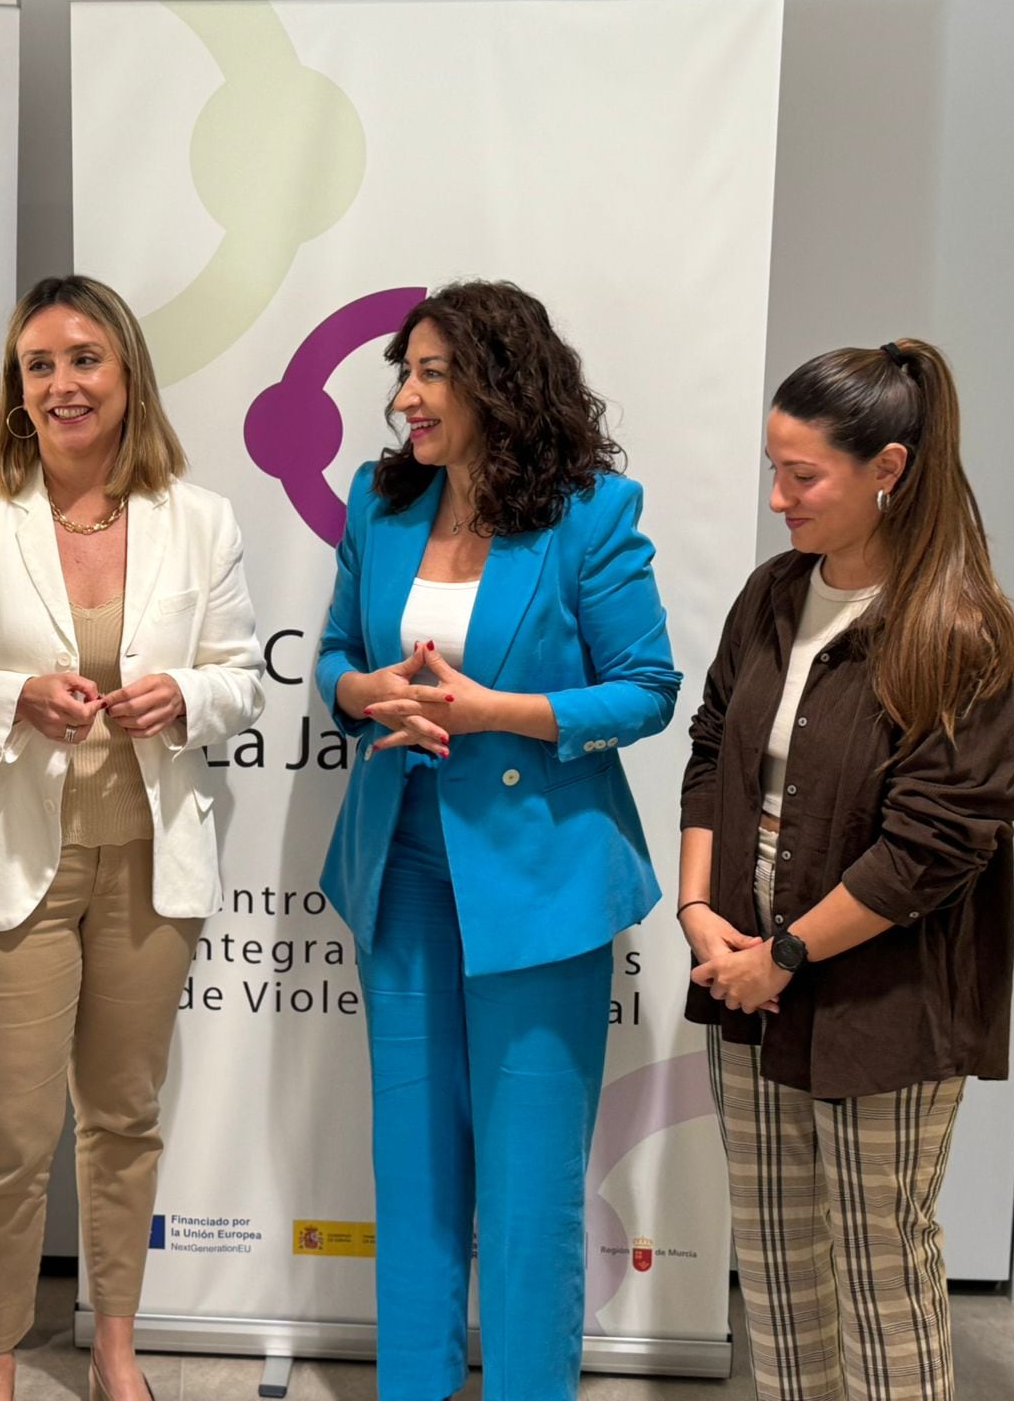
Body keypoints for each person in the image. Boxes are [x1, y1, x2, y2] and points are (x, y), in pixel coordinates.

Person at [0, 275, 265, 1401]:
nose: (62, 384)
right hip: (4, 866)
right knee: (5, 1132)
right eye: (38, 365)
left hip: (149, 859)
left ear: (127, 373)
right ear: (16, 388)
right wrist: (11, 700)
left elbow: (241, 681)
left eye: (84, 359)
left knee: (122, 1117)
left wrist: (183, 700)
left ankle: (113, 1345)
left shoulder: (199, 517)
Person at [315, 280, 681, 1401]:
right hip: (401, 867)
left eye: (431, 374)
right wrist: (364, 691)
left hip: (538, 878)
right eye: (403, 374)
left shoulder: (588, 514)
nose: (406, 399)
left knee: (526, 1192)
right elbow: (332, 658)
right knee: (414, 1171)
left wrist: (500, 714)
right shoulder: (378, 508)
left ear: (498, 384)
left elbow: (645, 690)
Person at [678, 339, 1014, 1401]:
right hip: (746, 980)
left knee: (880, 1271)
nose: (778, 497)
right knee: (779, 1274)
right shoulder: (773, 597)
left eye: (802, 476)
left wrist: (783, 955)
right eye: (771, 470)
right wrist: (701, 912)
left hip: (882, 1003)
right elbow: (710, 751)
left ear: (885, 468)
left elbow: (935, 844)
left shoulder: (956, 631)